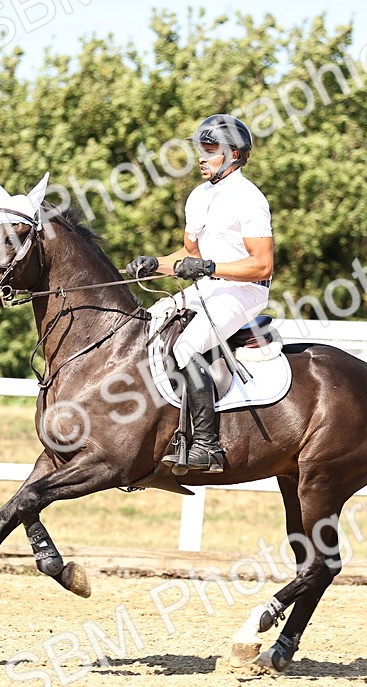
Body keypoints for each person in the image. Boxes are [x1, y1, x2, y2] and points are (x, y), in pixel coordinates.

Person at [126, 114, 274, 474]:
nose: (201, 158)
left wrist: (209, 268)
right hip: (208, 287)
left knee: (187, 346)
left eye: (210, 151)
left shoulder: (249, 199)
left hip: (244, 291)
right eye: (201, 151)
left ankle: (208, 446)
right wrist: (154, 263)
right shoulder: (198, 196)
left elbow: (262, 265)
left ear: (234, 155)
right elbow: (188, 257)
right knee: (149, 325)